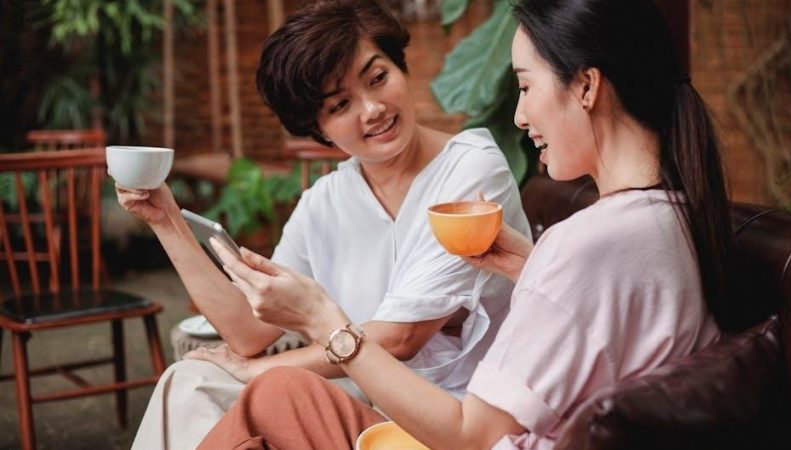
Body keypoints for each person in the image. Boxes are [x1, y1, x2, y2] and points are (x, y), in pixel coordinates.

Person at [195, 0, 734, 448]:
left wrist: (325, 323)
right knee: (262, 396)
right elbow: (607, 323)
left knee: (274, 396)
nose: (519, 117)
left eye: (525, 87)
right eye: (339, 105)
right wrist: (536, 270)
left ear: (587, 87)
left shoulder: (584, 239)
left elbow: (470, 433)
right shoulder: (671, 214)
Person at [117, 1, 529, 449]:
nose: (372, 109)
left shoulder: (472, 171)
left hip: (450, 417)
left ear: (400, 67)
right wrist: (166, 221)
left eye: (378, 78)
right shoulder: (325, 201)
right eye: (340, 104)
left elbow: (402, 336)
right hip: (365, 398)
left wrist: (257, 369)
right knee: (190, 379)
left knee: (268, 386)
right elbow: (250, 331)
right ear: (318, 128)